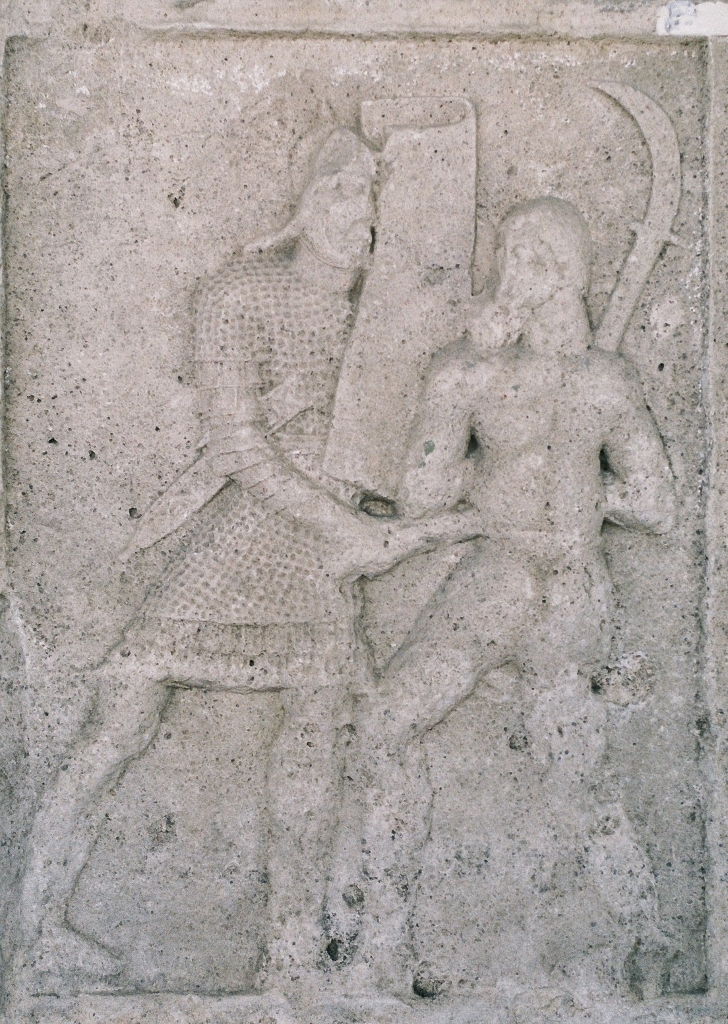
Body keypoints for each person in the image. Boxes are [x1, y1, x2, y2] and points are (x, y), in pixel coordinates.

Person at [17, 128, 479, 998]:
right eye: (342, 192)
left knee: (319, 729)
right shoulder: (241, 292)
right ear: (303, 200)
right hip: (245, 535)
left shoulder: (389, 320)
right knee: (121, 717)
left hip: (325, 554)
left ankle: (290, 951)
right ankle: (29, 930)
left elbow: (406, 456)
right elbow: (235, 443)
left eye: (373, 201)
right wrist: (340, 521)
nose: (359, 215)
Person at [331, 197, 676, 997]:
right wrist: (573, 498)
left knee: (427, 731)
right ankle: (389, 941)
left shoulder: (541, 376)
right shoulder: (522, 375)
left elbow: (656, 504)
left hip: (530, 586)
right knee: (561, 767)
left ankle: (387, 943)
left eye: (526, 259)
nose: (509, 274)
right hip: (541, 582)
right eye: (514, 257)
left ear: (560, 274)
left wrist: (525, 485)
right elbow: (422, 493)